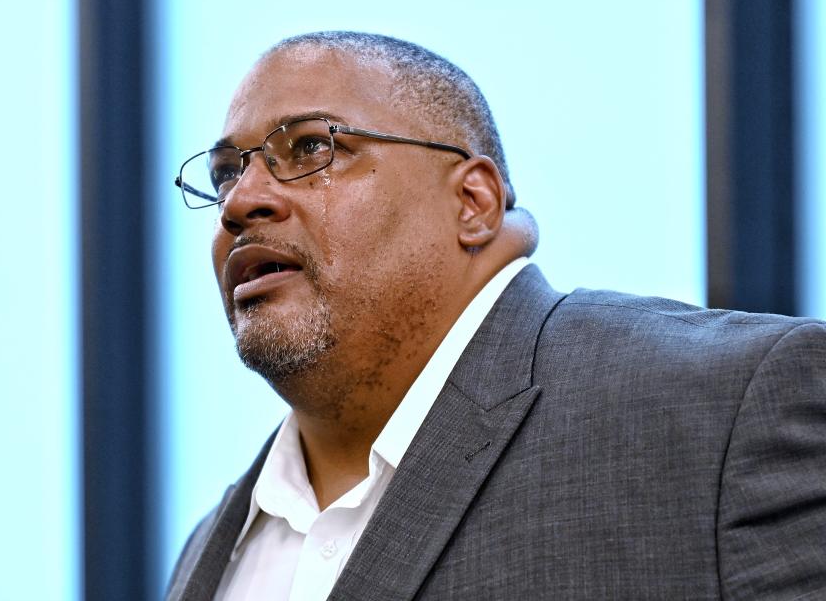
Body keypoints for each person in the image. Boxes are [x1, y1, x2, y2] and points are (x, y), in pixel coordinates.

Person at [166, 31, 826, 601]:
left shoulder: (723, 411)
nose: (241, 200)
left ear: (474, 201)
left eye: (311, 148)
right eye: (226, 174)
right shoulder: (209, 548)